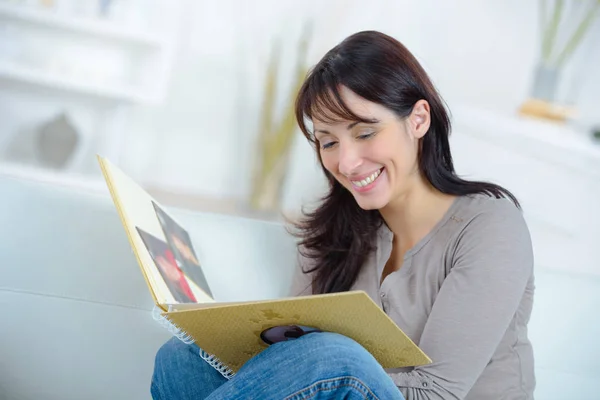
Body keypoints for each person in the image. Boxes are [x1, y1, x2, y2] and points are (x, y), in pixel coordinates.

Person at [150, 30, 535, 400]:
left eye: (365, 133)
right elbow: (291, 363)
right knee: (182, 359)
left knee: (336, 358)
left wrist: (319, 363)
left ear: (418, 119)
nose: (346, 162)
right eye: (328, 142)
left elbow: (436, 393)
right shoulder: (329, 233)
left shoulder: (489, 226)